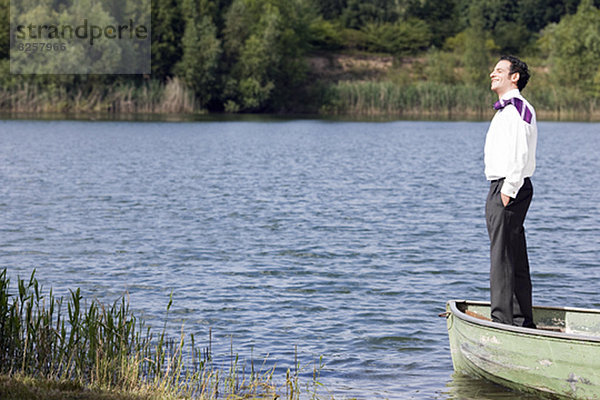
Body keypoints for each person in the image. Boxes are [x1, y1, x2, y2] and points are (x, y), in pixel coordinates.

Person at [484, 55, 537, 328]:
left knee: (502, 256)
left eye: (499, 70)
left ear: (514, 76)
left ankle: (502, 321)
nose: (493, 73)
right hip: (504, 185)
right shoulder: (507, 109)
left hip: (508, 185)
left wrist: (509, 189)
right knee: (513, 253)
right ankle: (520, 319)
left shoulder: (517, 108)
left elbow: (521, 152)